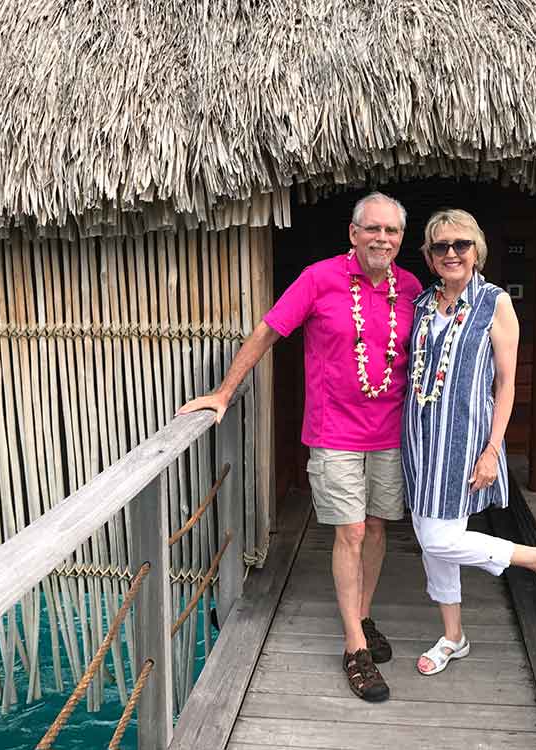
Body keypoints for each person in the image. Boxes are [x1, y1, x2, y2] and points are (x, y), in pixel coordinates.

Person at [179, 192, 422, 701]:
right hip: (335, 434)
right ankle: (355, 646)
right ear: (353, 234)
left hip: (390, 433)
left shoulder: (411, 288)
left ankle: (362, 614)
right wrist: (224, 392)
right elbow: (267, 333)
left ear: (401, 239)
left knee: (377, 527)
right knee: (351, 531)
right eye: (372, 229)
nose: (382, 239)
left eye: (392, 231)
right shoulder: (319, 278)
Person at [401, 209, 536, 676]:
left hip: (463, 440)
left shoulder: (494, 303)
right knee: (429, 540)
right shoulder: (421, 303)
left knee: (440, 537)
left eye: (461, 244)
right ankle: (453, 636)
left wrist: (494, 447)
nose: (452, 253)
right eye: (441, 247)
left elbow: (507, 383)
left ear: (478, 250)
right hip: (417, 439)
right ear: (430, 258)